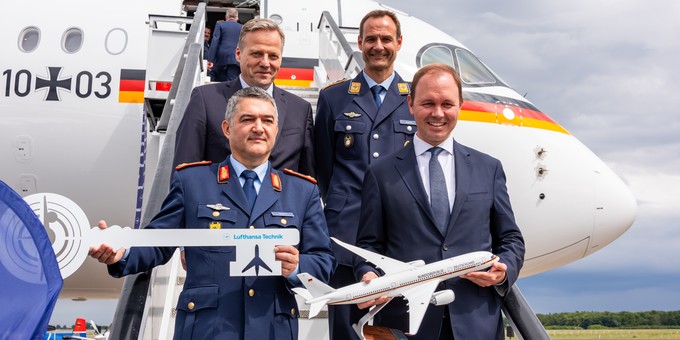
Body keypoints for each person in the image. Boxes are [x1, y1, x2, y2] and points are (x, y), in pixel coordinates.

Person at [88, 87, 336, 339]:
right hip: (207, 328)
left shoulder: (302, 191)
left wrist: (296, 267)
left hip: (272, 329)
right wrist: (122, 253)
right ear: (227, 129)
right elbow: (158, 242)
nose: (259, 127)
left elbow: (323, 261)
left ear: (276, 130)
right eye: (248, 119)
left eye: (267, 120)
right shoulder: (193, 182)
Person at [353, 64, 526, 340]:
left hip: (476, 322)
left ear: (460, 106)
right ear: (410, 104)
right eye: (428, 103)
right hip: (406, 323)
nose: (438, 113)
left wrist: (504, 269)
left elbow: (511, 239)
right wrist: (369, 277)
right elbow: (368, 246)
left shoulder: (488, 168)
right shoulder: (381, 173)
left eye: (447, 104)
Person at [313, 9, 415, 339]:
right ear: (359, 43)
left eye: (386, 38)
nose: (378, 45)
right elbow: (323, 167)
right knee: (344, 329)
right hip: (347, 235)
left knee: (396, 328)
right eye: (370, 38)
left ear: (399, 43)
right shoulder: (333, 97)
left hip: (401, 235)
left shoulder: (415, 98)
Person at [175, 18, 315, 177]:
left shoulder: (301, 110)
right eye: (257, 54)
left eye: (273, 56)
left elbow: (308, 180)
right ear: (238, 54)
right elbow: (184, 175)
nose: (265, 63)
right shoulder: (205, 100)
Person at [207, 8, 242, 81]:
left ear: (226, 17)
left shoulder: (220, 24)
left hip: (221, 58)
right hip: (235, 58)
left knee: (220, 82)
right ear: (237, 18)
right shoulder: (242, 27)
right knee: (232, 82)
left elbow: (215, 42)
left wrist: (210, 59)